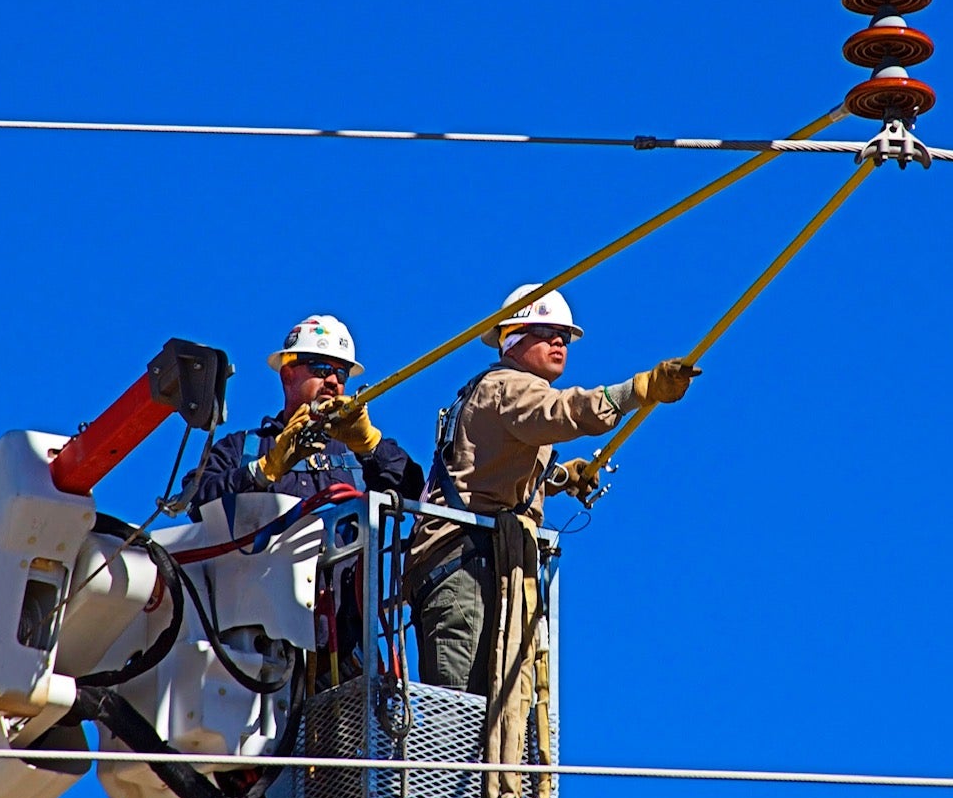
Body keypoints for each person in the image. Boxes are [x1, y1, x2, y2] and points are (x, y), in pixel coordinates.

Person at [410, 285, 698, 696]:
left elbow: (495, 468)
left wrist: (560, 476)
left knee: (494, 712)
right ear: (512, 337)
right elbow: (560, 412)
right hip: (466, 566)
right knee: (464, 714)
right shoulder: (509, 386)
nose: (559, 341)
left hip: (478, 562)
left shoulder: (502, 393)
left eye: (564, 334)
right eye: (546, 331)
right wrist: (640, 389)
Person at [189, 314, 425, 508]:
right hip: (262, 564)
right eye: (321, 369)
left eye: (341, 374)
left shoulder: (360, 453)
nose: (333, 381)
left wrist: (370, 445)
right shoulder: (242, 449)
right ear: (288, 374)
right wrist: (261, 471)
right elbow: (194, 501)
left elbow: (417, 495)